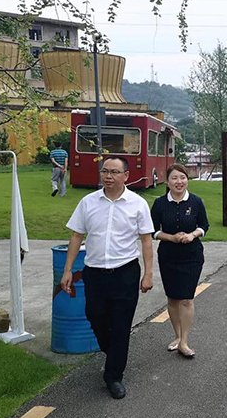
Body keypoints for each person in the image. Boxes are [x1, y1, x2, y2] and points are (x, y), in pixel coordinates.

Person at [61, 156, 154, 399]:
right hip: (95, 273)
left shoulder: (138, 204)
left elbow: (146, 240)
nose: (108, 176)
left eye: (114, 172)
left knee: (121, 325)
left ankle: (113, 376)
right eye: (104, 171)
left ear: (126, 176)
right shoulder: (88, 202)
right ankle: (113, 350)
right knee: (95, 316)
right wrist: (68, 269)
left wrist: (148, 274)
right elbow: (76, 236)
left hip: (125, 273)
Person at [151, 164, 209, 359]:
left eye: (182, 177)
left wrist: (192, 235)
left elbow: (204, 226)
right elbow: (153, 231)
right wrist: (171, 237)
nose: (179, 182)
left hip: (192, 256)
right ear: (167, 182)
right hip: (168, 256)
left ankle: (184, 341)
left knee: (186, 298)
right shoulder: (160, 204)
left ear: (187, 180)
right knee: (173, 298)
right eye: (174, 178)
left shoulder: (196, 201)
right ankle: (177, 336)